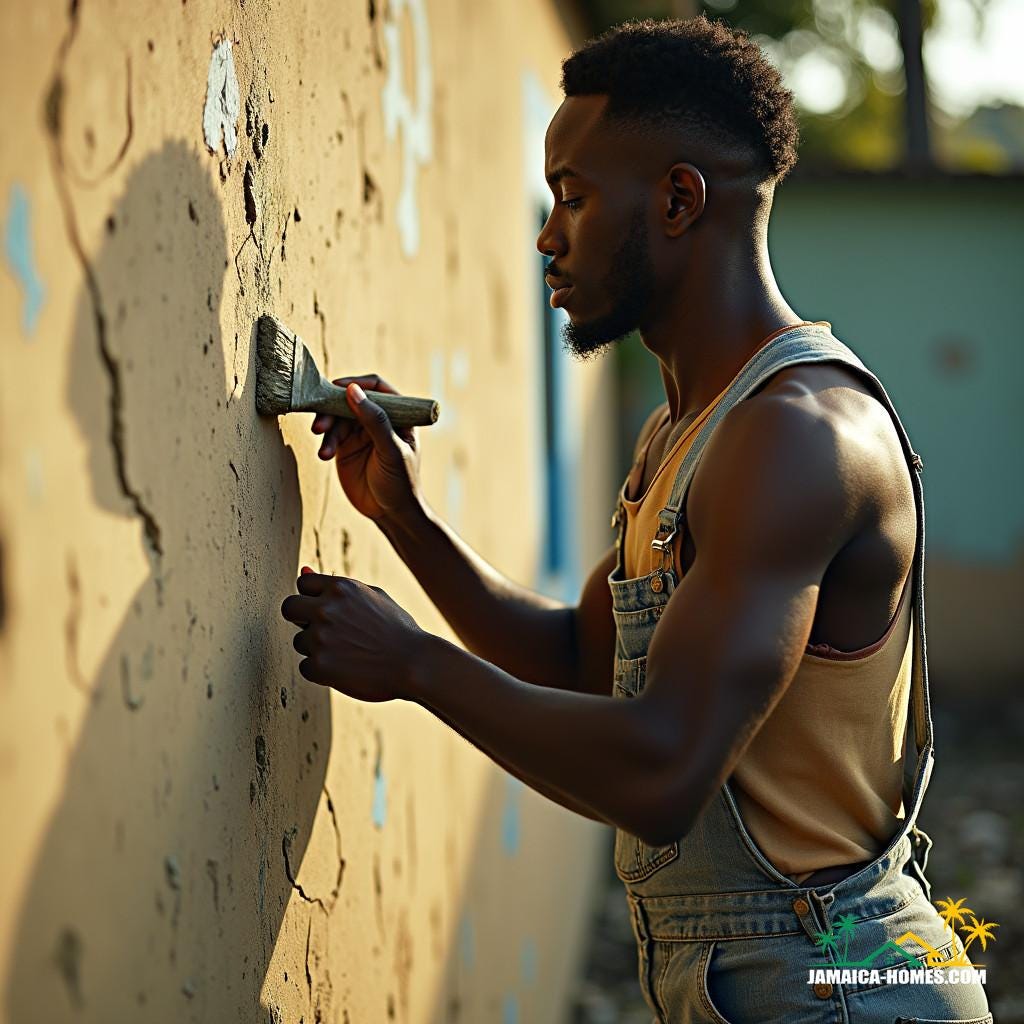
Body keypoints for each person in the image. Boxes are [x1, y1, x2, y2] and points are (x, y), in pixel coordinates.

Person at [280, 16, 992, 1022]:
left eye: (570, 195)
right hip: (752, 976)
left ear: (675, 199)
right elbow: (582, 661)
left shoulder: (796, 436)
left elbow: (663, 768)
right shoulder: (684, 429)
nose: (545, 232)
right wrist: (406, 519)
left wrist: (414, 667)